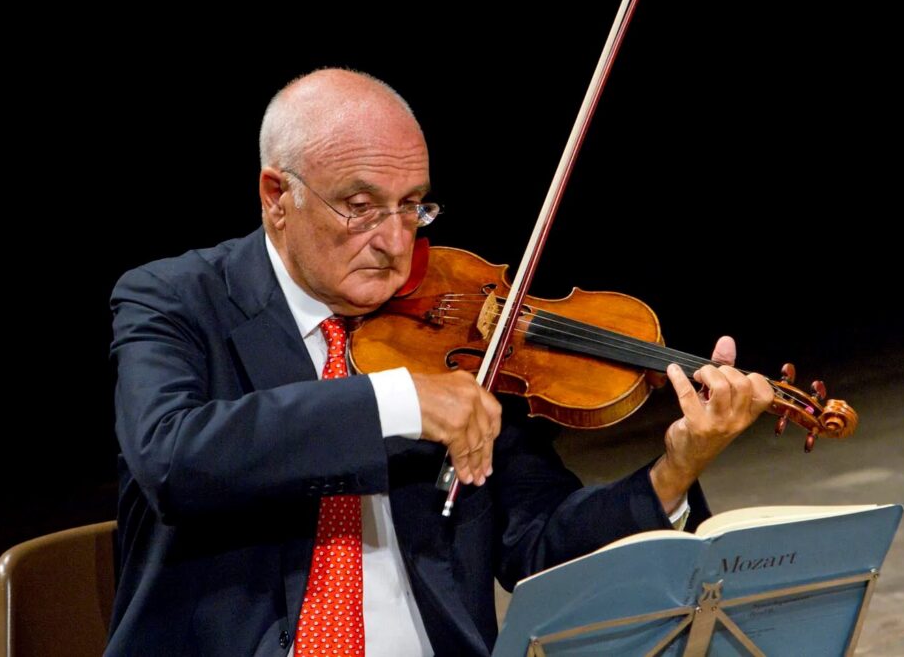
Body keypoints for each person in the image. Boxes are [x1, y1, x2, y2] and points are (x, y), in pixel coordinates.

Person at [106, 68, 773, 656]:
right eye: (361, 207)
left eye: (412, 206)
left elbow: (538, 544)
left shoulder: (463, 339)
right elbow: (171, 457)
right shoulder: (174, 300)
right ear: (278, 195)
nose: (395, 243)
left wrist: (673, 470)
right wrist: (396, 403)